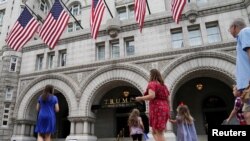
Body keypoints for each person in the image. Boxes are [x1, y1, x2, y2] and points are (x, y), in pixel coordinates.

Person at [135, 69, 170, 141]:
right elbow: (168, 99)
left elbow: (152, 96)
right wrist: (168, 110)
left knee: (159, 132)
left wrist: (140, 98)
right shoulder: (164, 86)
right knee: (154, 131)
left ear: (151, 75)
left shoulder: (152, 83)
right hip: (164, 108)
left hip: (157, 109)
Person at [228, 18, 250, 125]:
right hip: (245, 88)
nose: (229, 31)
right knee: (247, 113)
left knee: (248, 114)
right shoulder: (240, 38)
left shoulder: (244, 32)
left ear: (235, 27)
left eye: (230, 29)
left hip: (248, 84)